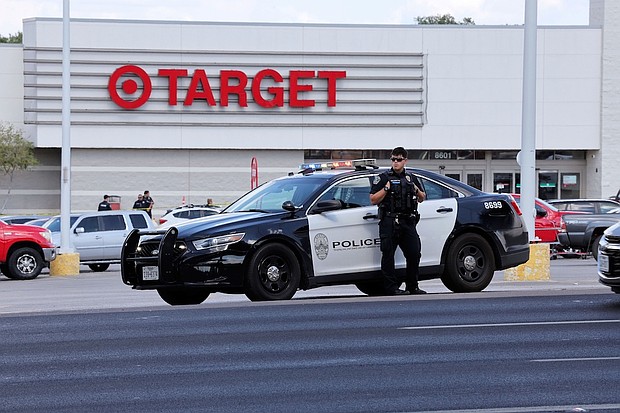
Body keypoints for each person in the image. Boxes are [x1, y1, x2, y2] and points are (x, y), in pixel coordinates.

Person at [370, 147, 426, 296]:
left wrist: (415, 189)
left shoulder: (411, 178)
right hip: (389, 221)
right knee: (388, 254)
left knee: (414, 253)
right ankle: (391, 288)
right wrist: (386, 189)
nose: (395, 162)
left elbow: (422, 197)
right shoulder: (383, 178)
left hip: (407, 221)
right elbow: (373, 199)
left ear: (405, 161)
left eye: (399, 160)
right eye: (393, 159)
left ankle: (412, 286)